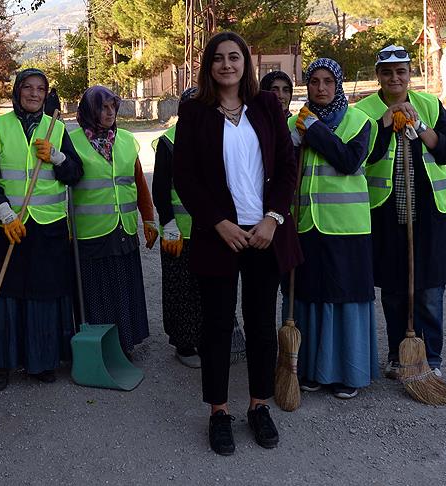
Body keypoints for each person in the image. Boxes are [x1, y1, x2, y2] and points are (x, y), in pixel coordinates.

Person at [173, 32, 301, 456]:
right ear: (208, 66)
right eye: (218, 58)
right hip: (219, 237)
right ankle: (219, 412)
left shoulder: (266, 106)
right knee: (217, 327)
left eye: (234, 57)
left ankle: (259, 405)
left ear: (246, 63)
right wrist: (217, 223)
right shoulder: (194, 112)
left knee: (261, 325)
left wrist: (273, 218)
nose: (227, 64)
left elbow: (286, 167)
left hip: (264, 235)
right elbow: (185, 177)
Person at [0, 68, 83, 391]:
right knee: (3, 293)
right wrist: (3, 211)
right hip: (6, 227)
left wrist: (58, 158)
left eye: (40, 89)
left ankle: (41, 360)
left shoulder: (56, 128)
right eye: (28, 87)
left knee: (43, 295)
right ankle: (0, 364)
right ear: (17, 91)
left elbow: (75, 174)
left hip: (47, 229)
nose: (34, 93)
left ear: (46, 94)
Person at [355, 45, 446, 379]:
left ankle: (431, 359)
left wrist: (421, 127)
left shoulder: (429, 104)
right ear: (378, 76)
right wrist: (384, 124)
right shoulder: (365, 111)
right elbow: (361, 156)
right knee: (394, 291)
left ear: (409, 74)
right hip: (386, 214)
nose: (394, 78)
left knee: (430, 292)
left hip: (430, 215)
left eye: (401, 71)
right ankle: (397, 355)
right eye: (387, 72)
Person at [287, 58, 379, 400]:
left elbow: (348, 161)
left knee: (345, 297)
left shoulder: (359, 121)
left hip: (347, 227)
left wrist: (314, 131)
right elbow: (283, 169)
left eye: (328, 81)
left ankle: (347, 372)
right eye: (314, 81)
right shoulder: (294, 122)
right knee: (309, 295)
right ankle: (311, 369)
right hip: (307, 223)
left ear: (338, 85)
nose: (321, 87)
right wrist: (293, 142)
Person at [70, 85, 158, 357]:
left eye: (113, 107)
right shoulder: (71, 142)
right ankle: (100, 348)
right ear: (89, 111)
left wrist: (148, 219)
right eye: (103, 108)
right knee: (96, 293)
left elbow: (138, 183)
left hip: (124, 229)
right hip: (90, 234)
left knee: (123, 289)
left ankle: (124, 343)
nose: (109, 113)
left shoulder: (126, 140)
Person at [152, 87, 203, 368]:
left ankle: (204, 339)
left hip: (210, 230)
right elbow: (160, 189)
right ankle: (184, 344)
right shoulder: (169, 141)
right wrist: (168, 223)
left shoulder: (215, 136)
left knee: (205, 288)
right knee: (180, 289)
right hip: (179, 231)